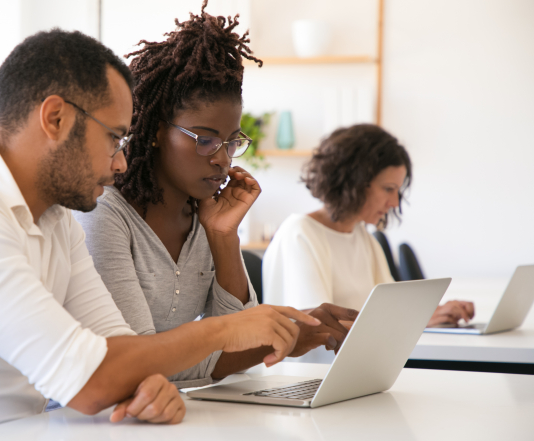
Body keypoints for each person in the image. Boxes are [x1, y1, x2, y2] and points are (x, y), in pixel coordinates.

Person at [0, 30, 321, 441]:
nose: (121, 162)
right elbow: (91, 381)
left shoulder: (56, 222)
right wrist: (224, 329)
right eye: (113, 137)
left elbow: (122, 351)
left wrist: (146, 386)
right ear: (55, 119)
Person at [75, 2, 358, 389]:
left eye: (231, 142)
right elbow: (137, 361)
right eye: (205, 140)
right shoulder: (104, 214)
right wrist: (282, 340)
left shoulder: (204, 217)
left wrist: (223, 237)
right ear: (157, 131)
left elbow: (243, 339)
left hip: (165, 415)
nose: (222, 159)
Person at [263, 124, 474, 327]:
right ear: (354, 183)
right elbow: (318, 327)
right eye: (388, 189)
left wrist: (439, 312)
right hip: (318, 364)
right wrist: (417, 321)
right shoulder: (300, 233)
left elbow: (394, 309)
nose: (395, 203)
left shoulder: (361, 235)